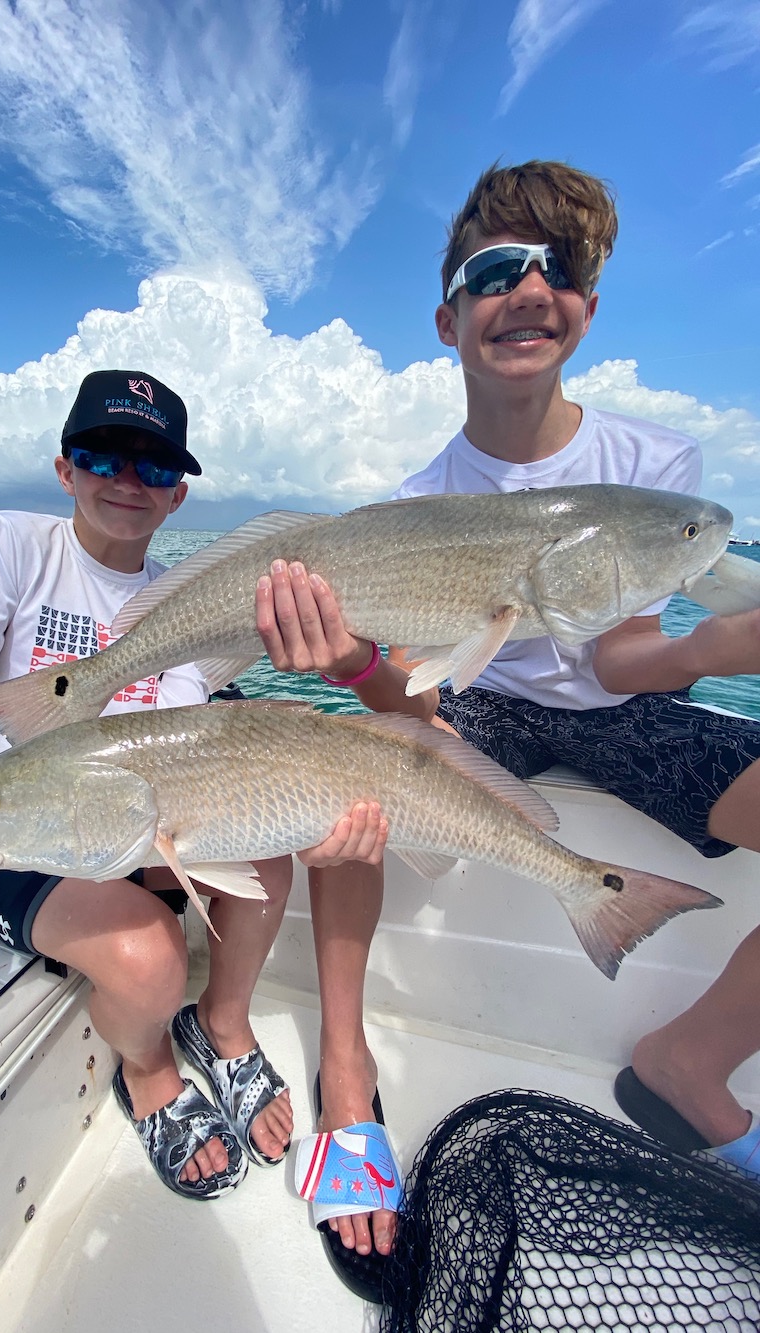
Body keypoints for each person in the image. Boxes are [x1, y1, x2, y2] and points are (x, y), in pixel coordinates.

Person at [256, 159, 760, 1296]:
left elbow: (625, 653)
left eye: (562, 268)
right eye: (495, 270)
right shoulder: (410, 504)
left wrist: (703, 652)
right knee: (356, 781)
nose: (530, 289)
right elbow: (420, 698)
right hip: (470, 696)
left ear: (588, 306)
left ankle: (689, 1058)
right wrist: (350, 661)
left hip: (625, 704)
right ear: (448, 316)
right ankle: (346, 1071)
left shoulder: (651, 472)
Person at [0, 368, 307, 1202]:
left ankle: (222, 1023)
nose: (128, 480)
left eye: (156, 467)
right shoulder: (12, 543)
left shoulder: (178, 603)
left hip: (124, 822)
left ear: (179, 497)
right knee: (149, 962)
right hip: (7, 836)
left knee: (270, 859)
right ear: (65, 468)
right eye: (103, 455)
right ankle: (146, 1067)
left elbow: (178, 735)